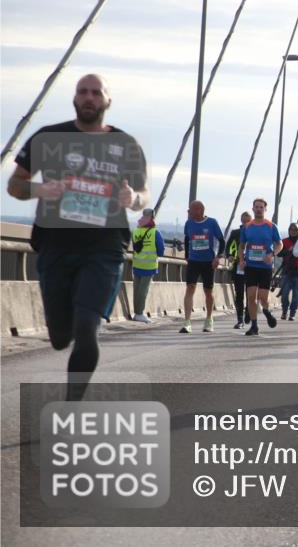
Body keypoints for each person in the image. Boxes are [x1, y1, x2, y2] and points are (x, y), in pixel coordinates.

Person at [7, 73, 149, 401]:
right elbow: (15, 184)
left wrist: (134, 200)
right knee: (59, 337)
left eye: (96, 93)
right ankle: (62, 327)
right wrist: (40, 188)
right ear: (74, 98)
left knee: (87, 327)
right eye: (83, 92)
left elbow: (143, 192)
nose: (89, 98)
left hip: (105, 248)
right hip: (55, 246)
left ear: (107, 100)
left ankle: (72, 407)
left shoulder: (125, 144)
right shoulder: (48, 138)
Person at [238, 197, 283, 336]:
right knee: (251, 296)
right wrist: (241, 259)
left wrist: (272, 254)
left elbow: (280, 244)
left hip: (265, 267)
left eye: (261, 207)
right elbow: (241, 246)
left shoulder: (271, 226)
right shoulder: (247, 227)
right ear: (253, 209)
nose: (258, 209)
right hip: (251, 266)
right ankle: (254, 325)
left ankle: (266, 311)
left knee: (263, 298)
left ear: (265, 209)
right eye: (256, 207)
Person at [180, 200, 226, 333]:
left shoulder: (212, 223)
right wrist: (187, 255)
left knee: (208, 291)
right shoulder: (189, 223)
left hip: (208, 262)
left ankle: (209, 319)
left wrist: (218, 257)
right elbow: (187, 239)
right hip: (194, 261)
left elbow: (222, 241)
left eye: (190, 209)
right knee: (190, 288)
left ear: (199, 210)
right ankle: (187, 322)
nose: (188, 212)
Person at [130, 207, 164, 323]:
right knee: (143, 291)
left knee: (137, 290)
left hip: (137, 264)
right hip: (149, 266)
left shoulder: (135, 231)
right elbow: (161, 251)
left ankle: (136, 313)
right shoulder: (155, 232)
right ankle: (140, 314)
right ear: (152, 218)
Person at [225, 211, 252, 328]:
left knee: (250, 293)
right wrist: (229, 255)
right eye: (244, 219)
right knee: (239, 293)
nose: (246, 221)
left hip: (252, 266)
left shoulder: (255, 232)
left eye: (248, 220)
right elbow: (228, 247)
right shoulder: (235, 233)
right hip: (238, 265)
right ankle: (240, 319)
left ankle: (248, 312)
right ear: (241, 220)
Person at [278, 223, 298, 321]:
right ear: (289, 231)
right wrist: (288, 250)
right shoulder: (284, 241)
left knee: (296, 296)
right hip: (287, 271)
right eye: (291, 229)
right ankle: (284, 311)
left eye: (295, 230)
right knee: (284, 294)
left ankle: (292, 313)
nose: (293, 231)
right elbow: (279, 254)